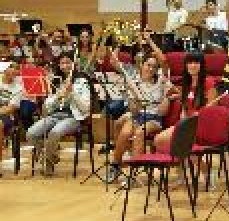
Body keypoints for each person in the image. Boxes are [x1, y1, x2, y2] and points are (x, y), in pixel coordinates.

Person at [106, 50, 170, 185]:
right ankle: (115, 165)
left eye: (154, 66)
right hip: (138, 115)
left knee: (139, 133)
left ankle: (133, 175)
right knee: (125, 132)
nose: (151, 68)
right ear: (142, 65)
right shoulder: (134, 81)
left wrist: (168, 97)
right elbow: (134, 111)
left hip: (153, 118)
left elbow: (164, 61)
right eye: (148, 65)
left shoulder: (161, 81)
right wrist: (133, 101)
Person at [27, 53, 91, 175]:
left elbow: (85, 108)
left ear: (74, 64)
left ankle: (48, 163)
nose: (65, 65)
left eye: (68, 62)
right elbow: (47, 106)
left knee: (54, 133)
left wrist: (72, 93)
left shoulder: (82, 81)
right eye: (62, 63)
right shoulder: (56, 81)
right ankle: (51, 155)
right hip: (55, 115)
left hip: (73, 117)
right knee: (31, 134)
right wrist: (57, 97)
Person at [153, 52, 215, 153]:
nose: (193, 65)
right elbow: (184, 108)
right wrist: (182, 122)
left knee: (168, 142)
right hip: (187, 124)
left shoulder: (208, 82)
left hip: (200, 124)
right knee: (158, 141)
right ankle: (185, 166)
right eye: (189, 63)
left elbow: (212, 110)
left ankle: (193, 167)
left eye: (196, 62)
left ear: (202, 65)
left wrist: (199, 114)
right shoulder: (187, 83)